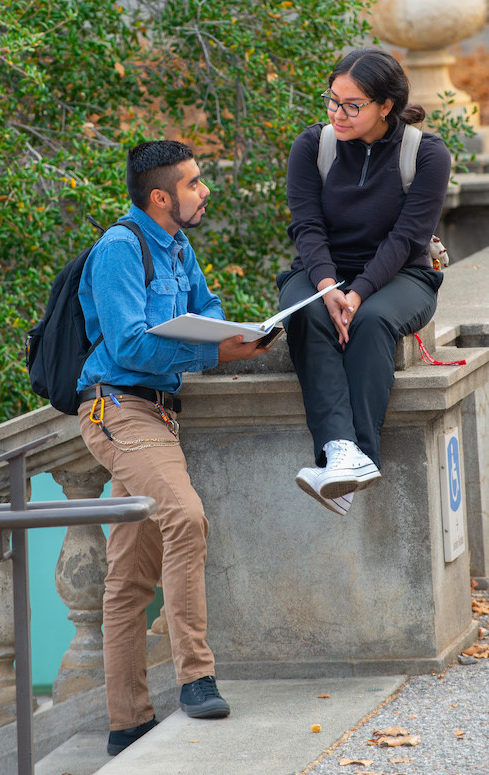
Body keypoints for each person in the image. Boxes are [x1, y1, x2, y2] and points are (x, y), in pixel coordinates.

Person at [76, 140, 266, 756]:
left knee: (130, 576)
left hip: (159, 414)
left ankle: (126, 722)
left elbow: (205, 311)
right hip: (116, 410)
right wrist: (213, 352)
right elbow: (129, 346)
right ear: (162, 197)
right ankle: (196, 675)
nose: (203, 191)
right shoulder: (119, 250)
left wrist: (239, 334)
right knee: (185, 517)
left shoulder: (180, 248)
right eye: (193, 183)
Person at [277, 48, 451, 516]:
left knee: (371, 320)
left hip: (403, 274)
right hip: (319, 270)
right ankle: (342, 453)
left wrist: (357, 293)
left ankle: (355, 462)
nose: (337, 113)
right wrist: (329, 285)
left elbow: (407, 238)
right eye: (332, 100)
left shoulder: (426, 153)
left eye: (352, 105)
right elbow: (306, 226)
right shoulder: (313, 145)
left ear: (385, 106)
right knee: (308, 313)